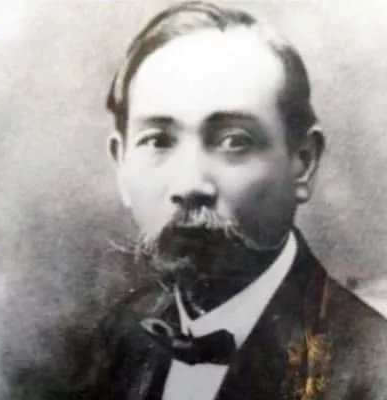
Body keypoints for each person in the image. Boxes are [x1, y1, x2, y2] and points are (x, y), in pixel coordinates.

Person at [79, 1, 387, 399]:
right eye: (158, 140)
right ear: (121, 164)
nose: (190, 183)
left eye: (233, 141)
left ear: (303, 163)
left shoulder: (373, 370)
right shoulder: (122, 335)